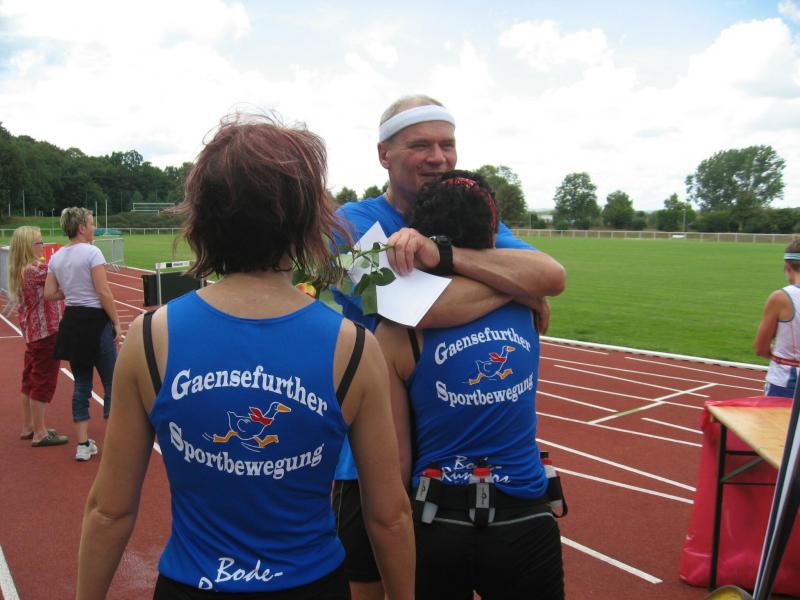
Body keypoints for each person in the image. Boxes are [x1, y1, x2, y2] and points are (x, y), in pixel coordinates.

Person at [76, 114, 414, 600]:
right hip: (311, 586)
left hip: (192, 586)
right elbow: (389, 516)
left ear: (203, 218)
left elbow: (109, 511)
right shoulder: (354, 346)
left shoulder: (150, 338)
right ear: (304, 220)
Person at [332, 94, 566, 600]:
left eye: (447, 144)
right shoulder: (349, 224)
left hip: (462, 463)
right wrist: (514, 290)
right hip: (373, 459)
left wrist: (443, 254)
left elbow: (550, 275)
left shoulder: (472, 219)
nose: (438, 157)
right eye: (420, 145)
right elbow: (408, 308)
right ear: (384, 155)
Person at [376, 171, 564, 599]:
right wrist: (520, 291)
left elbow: (398, 458)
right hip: (525, 516)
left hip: (436, 518)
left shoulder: (396, 332)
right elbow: (545, 276)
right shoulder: (530, 306)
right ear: (493, 236)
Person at [45, 207, 121, 461]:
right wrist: (117, 322)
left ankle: (83, 444)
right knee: (111, 383)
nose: (94, 228)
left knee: (81, 385)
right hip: (96, 322)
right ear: (81, 227)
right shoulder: (92, 252)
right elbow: (103, 292)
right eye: (91, 223)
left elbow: (49, 293)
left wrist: (72, 290)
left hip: (73, 323)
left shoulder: (56, 257)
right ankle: (113, 443)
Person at [9, 226, 68, 447]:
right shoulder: (36, 270)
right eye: (39, 242)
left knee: (29, 380)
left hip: (32, 333)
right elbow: (64, 279)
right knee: (43, 381)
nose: (43, 246)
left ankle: (29, 426)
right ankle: (40, 432)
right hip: (46, 333)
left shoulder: (20, 269)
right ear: (28, 246)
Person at [755, 238, 800, 398]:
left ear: (787, 266)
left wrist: (779, 356)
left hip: (786, 383)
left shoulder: (780, 297)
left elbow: (761, 348)